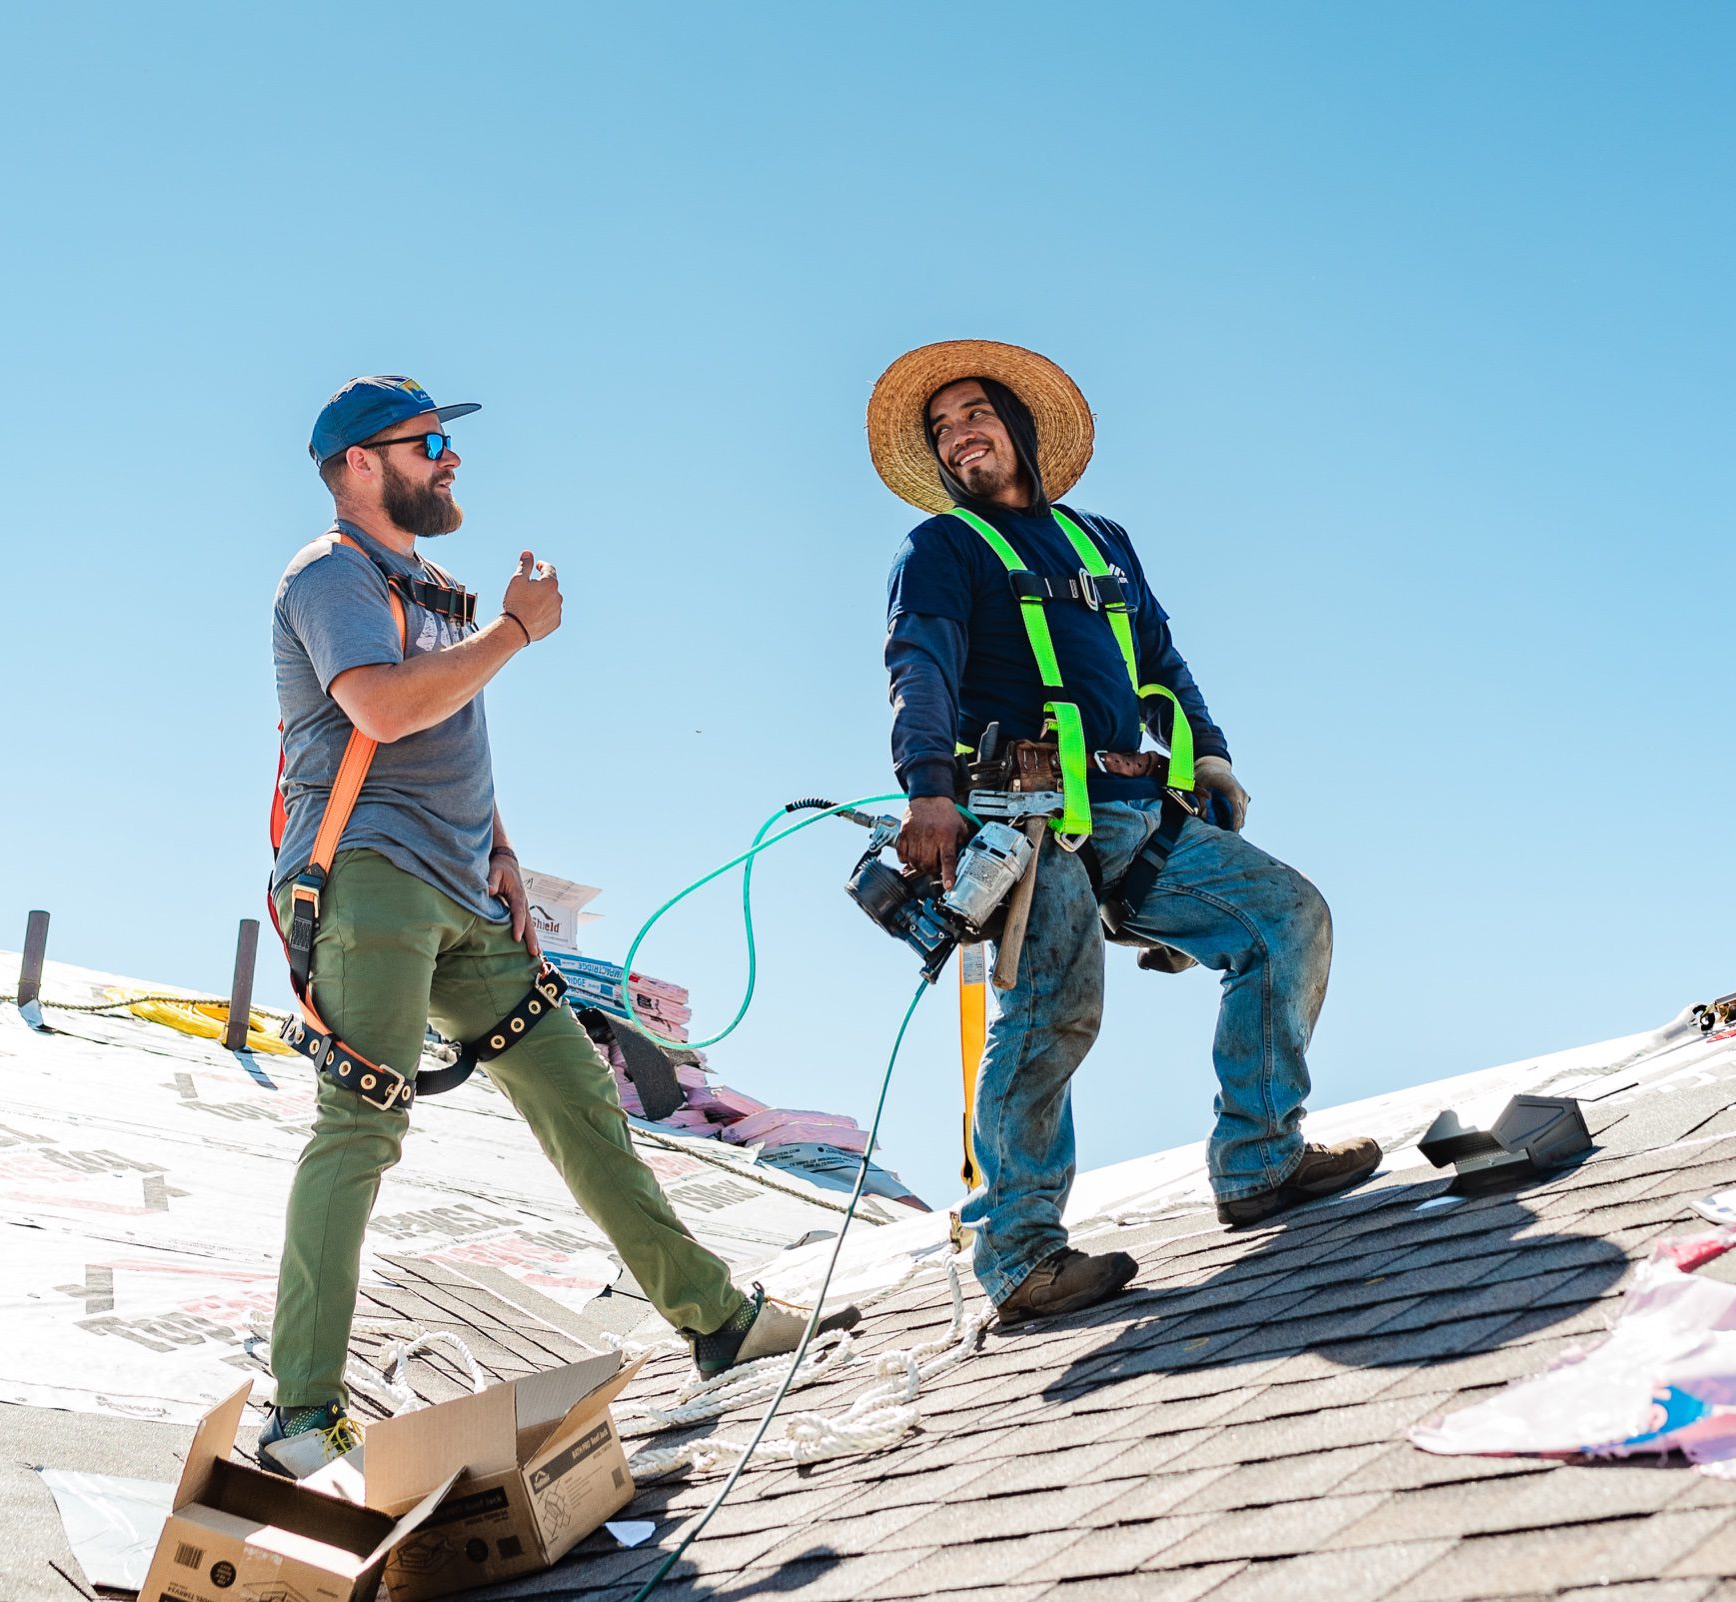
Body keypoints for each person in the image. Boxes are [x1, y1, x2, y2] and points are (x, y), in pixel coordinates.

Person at [260, 375, 854, 1472]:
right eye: (427, 443)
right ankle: (300, 1415)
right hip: (371, 885)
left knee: (583, 1102)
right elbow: (382, 708)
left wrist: (502, 850)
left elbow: (441, 728)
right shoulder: (331, 573)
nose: (449, 460)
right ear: (358, 465)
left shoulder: (430, 585)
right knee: (359, 1129)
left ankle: (718, 1322)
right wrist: (516, 633)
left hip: (469, 896)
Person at [867, 341, 1379, 1326]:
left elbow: (1160, 664)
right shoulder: (942, 552)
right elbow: (917, 664)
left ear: (1017, 428)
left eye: (974, 414)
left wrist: (1212, 755)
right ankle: (1019, 1257)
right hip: (1023, 809)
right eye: (941, 429)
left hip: (1137, 809)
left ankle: (1260, 1163)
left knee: (1284, 921)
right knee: (1054, 1013)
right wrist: (928, 788)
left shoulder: (1103, 543)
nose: (958, 435)